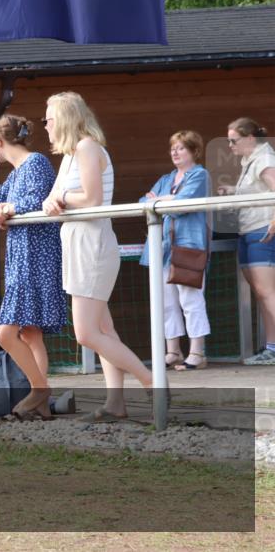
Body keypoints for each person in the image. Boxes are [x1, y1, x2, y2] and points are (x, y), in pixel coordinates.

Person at [41, 92, 155, 422]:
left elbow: (91, 198)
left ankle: (151, 381)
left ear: (63, 119)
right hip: (77, 244)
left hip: (93, 246)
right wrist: (54, 200)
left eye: (48, 119)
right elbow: (56, 196)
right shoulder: (69, 156)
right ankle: (115, 403)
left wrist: (60, 197)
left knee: (87, 333)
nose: (46, 126)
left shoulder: (88, 147)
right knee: (104, 329)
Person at [0, 114, 66, 419]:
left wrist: (8, 209)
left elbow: (37, 201)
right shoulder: (16, 174)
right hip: (20, 258)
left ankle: (39, 389)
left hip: (36, 258)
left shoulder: (37, 163)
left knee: (6, 333)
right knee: (30, 333)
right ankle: (41, 403)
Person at [139, 131, 212, 370]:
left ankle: (197, 353)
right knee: (166, 302)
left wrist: (158, 200)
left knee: (190, 299)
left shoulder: (200, 175)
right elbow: (143, 203)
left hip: (188, 245)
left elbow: (182, 205)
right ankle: (173, 352)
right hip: (162, 248)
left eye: (181, 148)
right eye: (173, 148)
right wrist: (166, 199)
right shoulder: (166, 178)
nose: (175, 152)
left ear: (193, 151)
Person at [220, 117, 275, 365]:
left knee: (267, 292)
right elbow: (259, 190)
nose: (230, 145)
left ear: (250, 138)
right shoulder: (249, 160)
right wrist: (233, 190)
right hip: (248, 230)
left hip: (262, 230)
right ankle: (271, 348)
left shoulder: (264, 159)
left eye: (234, 140)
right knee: (262, 294)